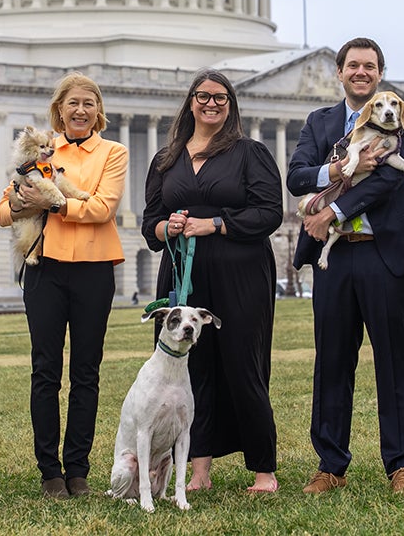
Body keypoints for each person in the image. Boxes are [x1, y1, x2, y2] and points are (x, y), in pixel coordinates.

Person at [287, 37, 404, 496]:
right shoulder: (321, 122)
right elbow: (296, 176)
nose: (361, 72)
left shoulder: (401, 116)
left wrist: (331, 211)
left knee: (395, 360)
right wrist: (334, 174)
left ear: (379, 74)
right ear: (340, 72)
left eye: (370, 66)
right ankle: (330, 465)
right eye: (353, 65)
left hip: (384, 251)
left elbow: (391, 180)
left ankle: (402, 465)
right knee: (332, 361)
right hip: (336, 258)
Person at [141, 70, 282, 493]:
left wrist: (215, 224)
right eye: (203, 96)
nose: (212, 104)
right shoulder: (166, 159)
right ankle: (197, 469)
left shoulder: (249, 152)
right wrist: (171, 226)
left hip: (240, 270)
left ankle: (263, 469)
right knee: (187, 369)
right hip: (183, 273)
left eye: (221, 98)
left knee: (243, 365)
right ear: (191, 102)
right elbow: (151, 226)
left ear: (231, 105)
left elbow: (269, 213)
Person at [0, 72, 127, 499]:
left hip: (93, 269)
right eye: (73, 103)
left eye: (89, 103)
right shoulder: (41, 150)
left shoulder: (113, 151)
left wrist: (52, 201)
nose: (80, 110)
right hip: (45, 268)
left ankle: (78, 469)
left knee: (86, 372)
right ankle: (49, 470)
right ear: (59, 108)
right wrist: (22, 202)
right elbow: (3, 209)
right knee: (45, 371)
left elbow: (103, 209)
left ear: (98, 110)